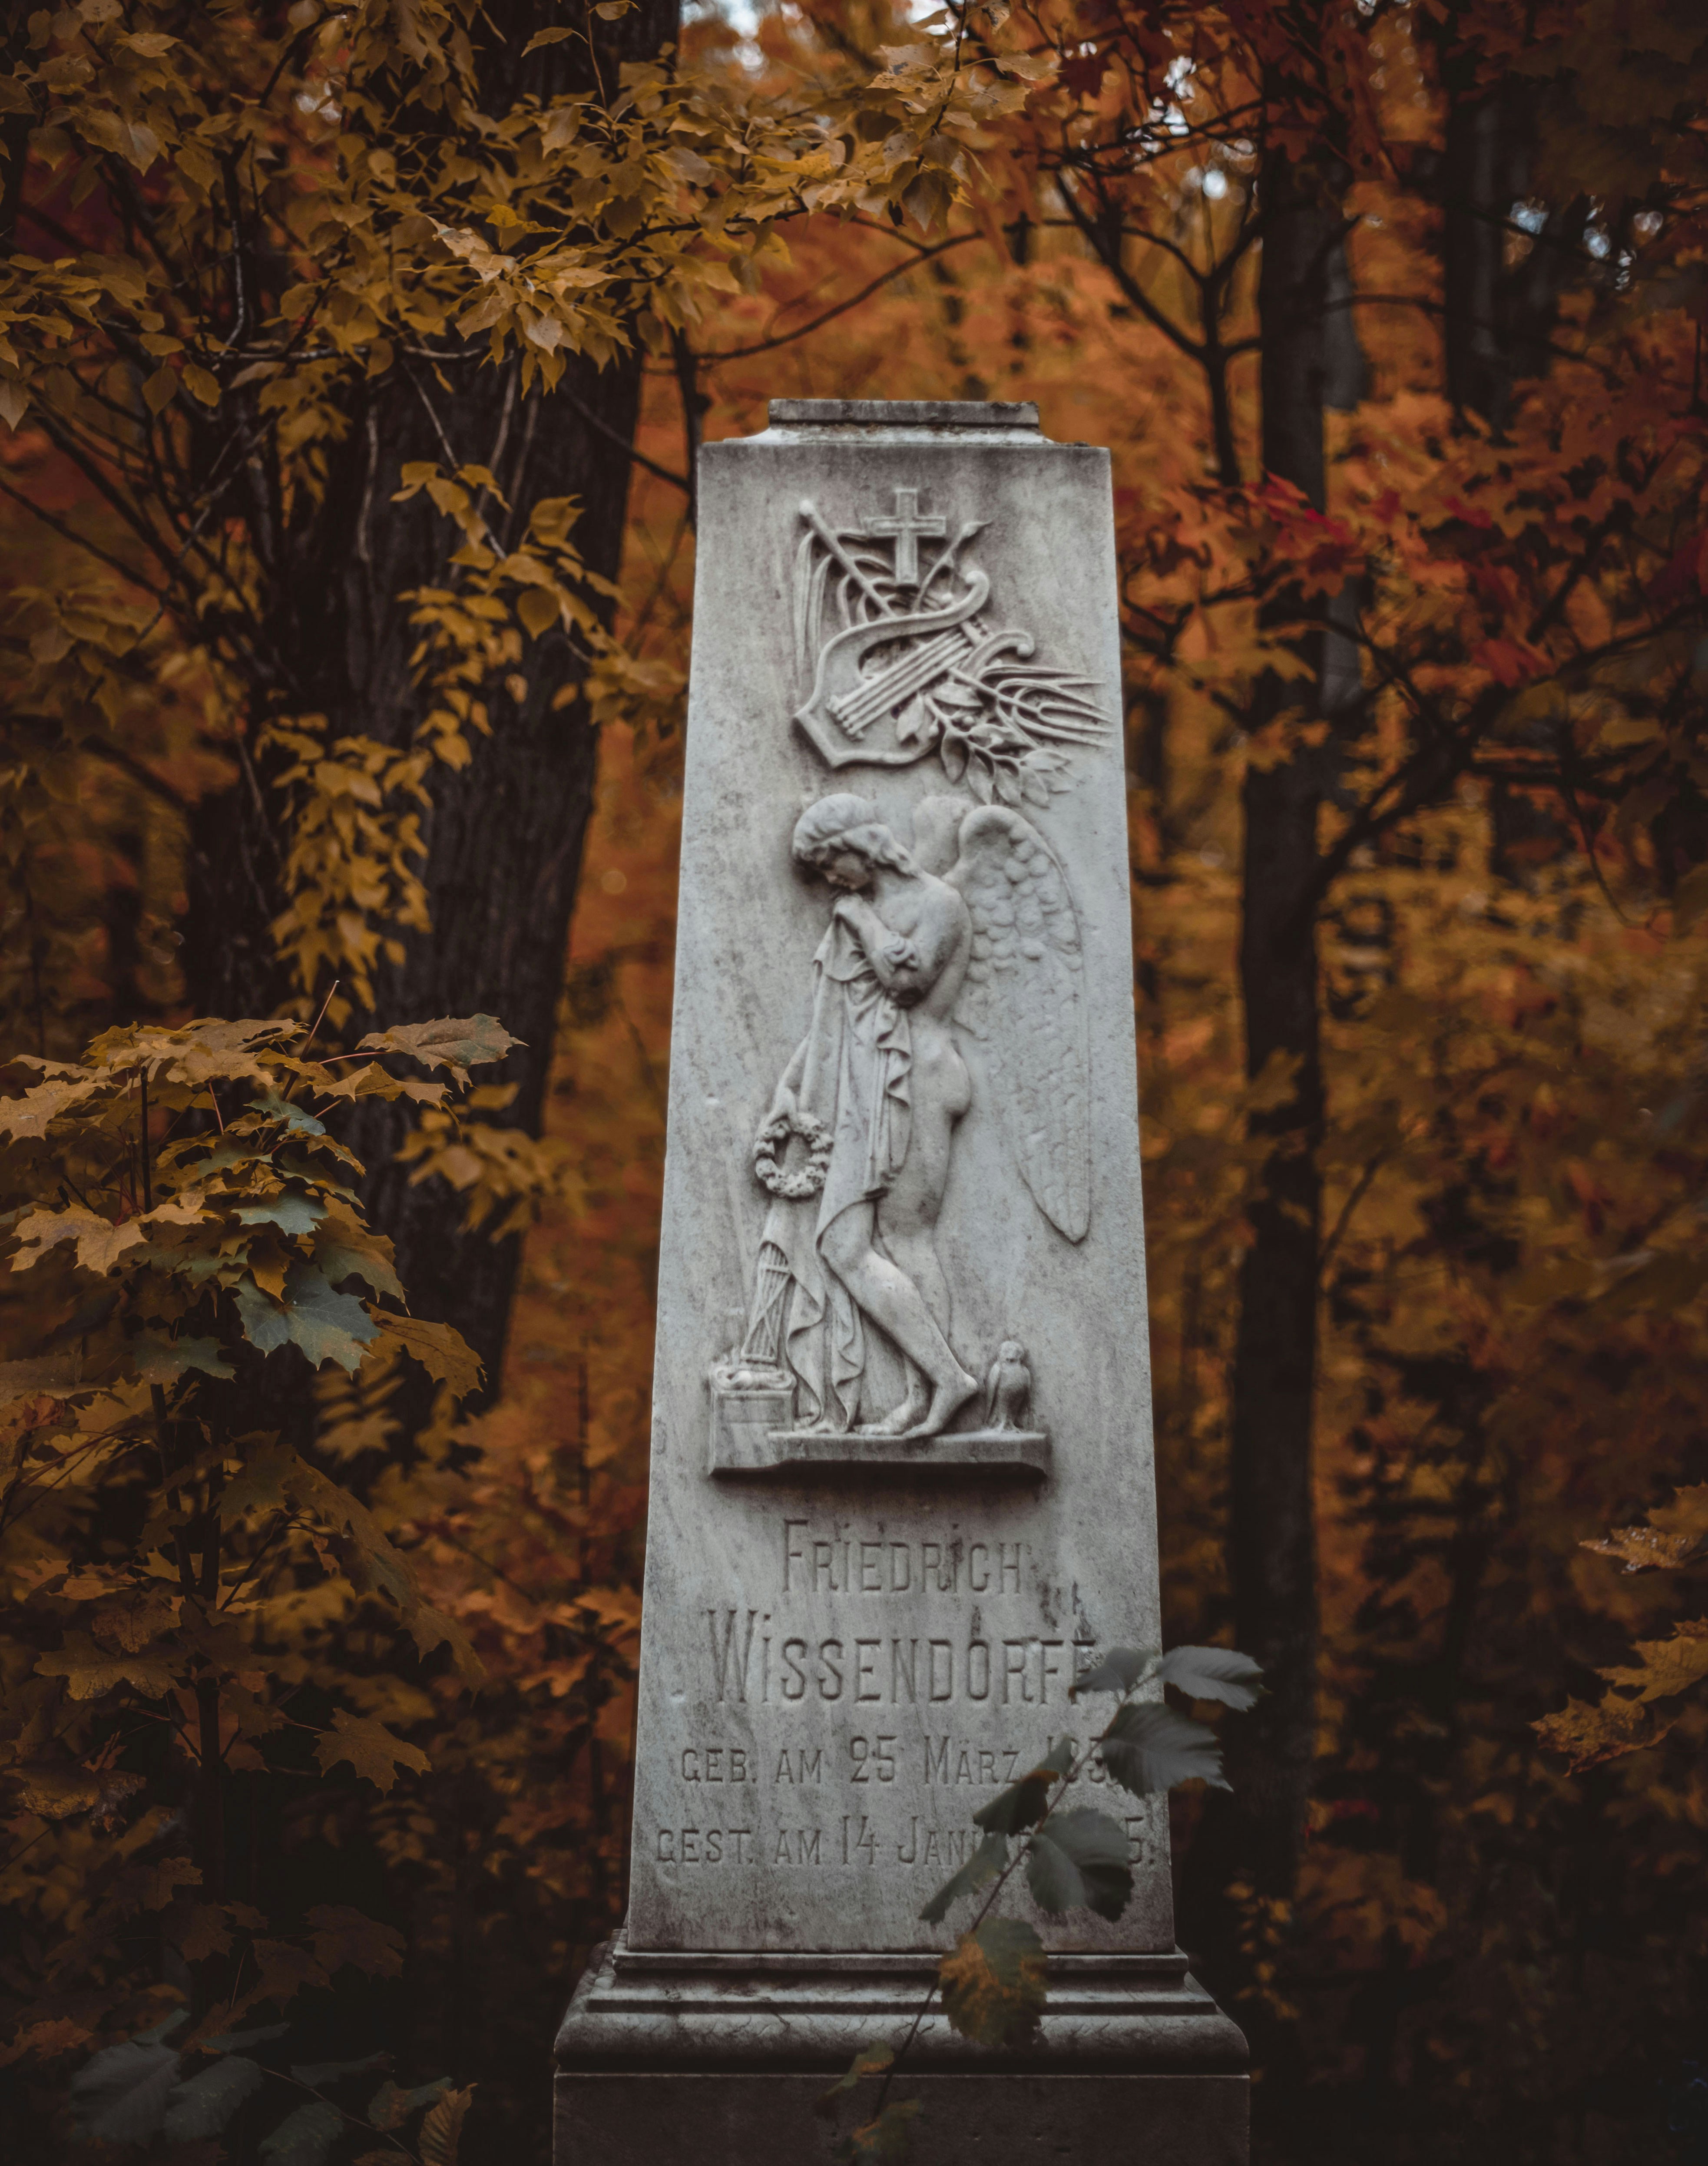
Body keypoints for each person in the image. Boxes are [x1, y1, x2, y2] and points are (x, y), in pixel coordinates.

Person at [756, 794, 980, 1440]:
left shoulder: (939, 902)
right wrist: (789, 1086)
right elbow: (835, 1021)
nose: (830, 880)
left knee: (907, 1239)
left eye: (831, 863)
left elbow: (904, 982)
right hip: (865, 1088)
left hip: (921, 1082)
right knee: (844, 1244)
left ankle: (938, 1388)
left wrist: (859, 919)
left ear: (864, 843)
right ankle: (939, 1383)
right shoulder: (859, 911)